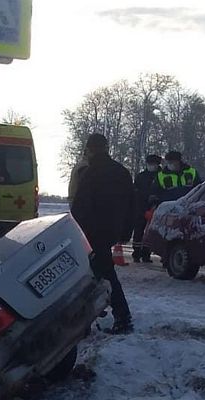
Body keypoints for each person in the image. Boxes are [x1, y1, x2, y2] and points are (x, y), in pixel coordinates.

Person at [70, 132, 134, 333]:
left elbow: (80, 207)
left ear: (90, 150)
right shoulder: (121, 172)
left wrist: (74, 231)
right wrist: (125, 231)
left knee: (99, 274)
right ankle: (98, 315)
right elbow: (133, 204)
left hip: (91, 232)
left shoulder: (91, 173)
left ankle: (121, 317)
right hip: (112, 231)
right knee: (99, 272)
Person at [131, 153, 162, 262]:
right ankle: (136, 252)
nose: (151, 166)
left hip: (156, 208)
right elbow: (135, 190)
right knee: (139, 230)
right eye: (149, 163)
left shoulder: (161, 175)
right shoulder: (141, 176)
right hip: (141, 207)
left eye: (153, 164)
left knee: (150, 232)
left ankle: (146, 253)